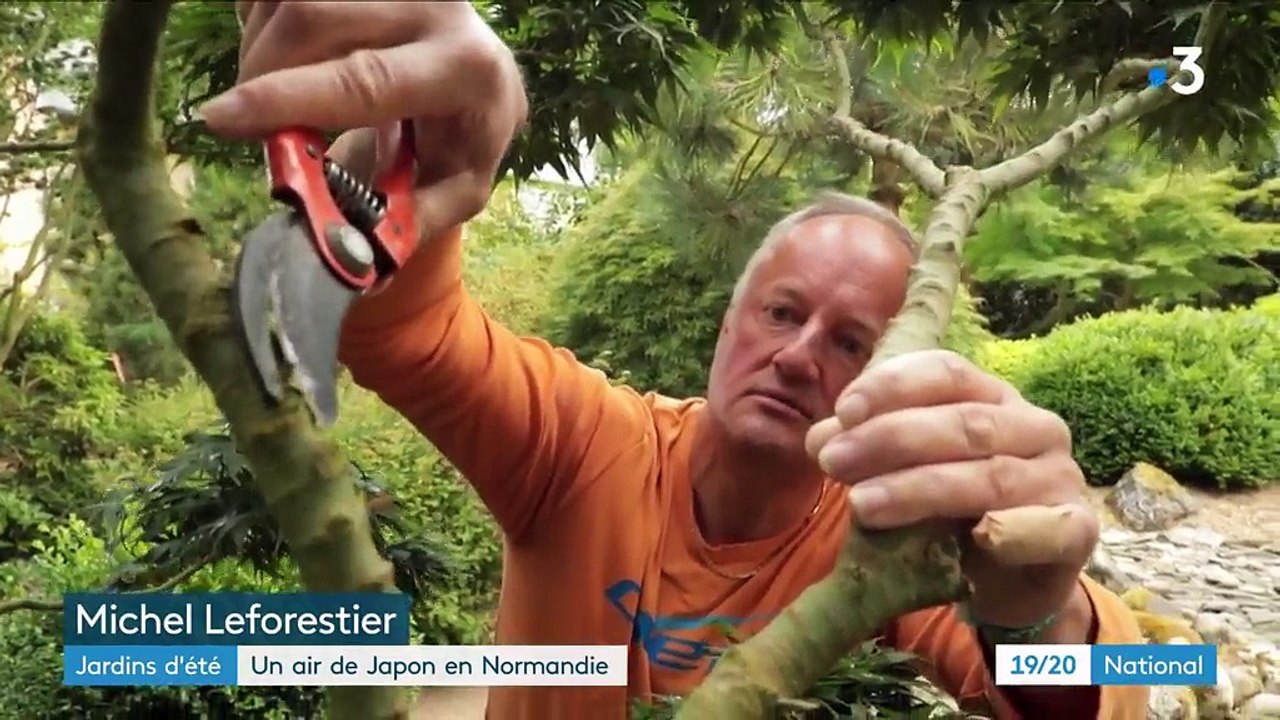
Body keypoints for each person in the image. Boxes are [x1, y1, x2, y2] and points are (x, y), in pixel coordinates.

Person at [204, 3, 1149, 718]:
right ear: (728, 325)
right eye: (782, 312)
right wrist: (402, 164)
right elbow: (401, 328)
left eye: (852, 343)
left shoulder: (889, 543)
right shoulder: (582, 444)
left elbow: (1148, 676)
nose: (799, 354)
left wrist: (1039, 618)